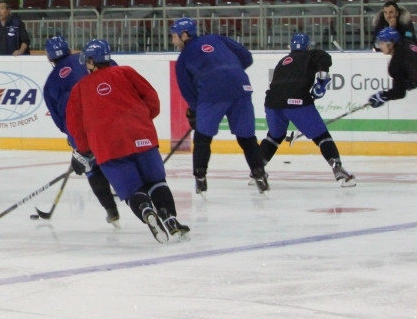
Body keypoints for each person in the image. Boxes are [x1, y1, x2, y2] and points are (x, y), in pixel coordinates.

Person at [65, 40, 188, 243]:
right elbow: (152, 101)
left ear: (90, 61)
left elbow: (75, 127)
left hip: (108, 147)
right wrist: (140, 120)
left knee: (132, 190)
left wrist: (84, 150)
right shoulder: (126, 72)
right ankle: (171, 219)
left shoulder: (79, 89)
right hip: (143, 138)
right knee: (157, 182)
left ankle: (146, 210)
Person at [171, 17, 269, 194]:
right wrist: (231, 71)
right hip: (241, 86)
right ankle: (259, 174)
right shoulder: (217, 38)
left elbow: (188, 91)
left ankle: (200, 177)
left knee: (203, 137)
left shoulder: (183, 59)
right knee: (247, 137)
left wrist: (194, 112)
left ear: (185, 35)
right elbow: (246, 57)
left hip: (212, 93)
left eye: (174, 35)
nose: (172, 39)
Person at [42, 36, 121, 226]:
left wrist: (73, 138)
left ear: (50, 58)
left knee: (92, 169)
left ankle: (111, 211)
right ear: (68, 50)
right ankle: (140, 199)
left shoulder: (50, 84)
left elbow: (59, 120)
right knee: (118, 159)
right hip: (109, 121)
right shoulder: (87, 59)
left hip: (79, 130)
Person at [260, 33, 355, 187]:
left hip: (272, 103)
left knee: (274, 136)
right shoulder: (312, 54)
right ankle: (338, 169)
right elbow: (324, 59)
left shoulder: (283, 61)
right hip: (297, 102)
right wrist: (321, 83)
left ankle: (256, 170)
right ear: (308, 47)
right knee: (321, 136)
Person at [367, 26, 417, 109]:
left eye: (382, 43)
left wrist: (384, 96)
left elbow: (399, 93)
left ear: (391, 43)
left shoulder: (395, 64)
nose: (380, 46)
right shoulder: (408, 42)